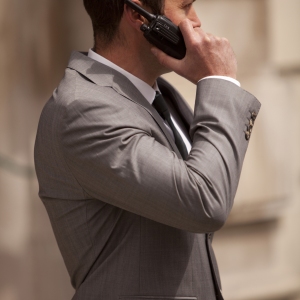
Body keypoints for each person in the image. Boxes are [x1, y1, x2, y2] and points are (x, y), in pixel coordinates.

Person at [34, 0, 261, 299]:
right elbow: (205, 201)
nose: (196, 21)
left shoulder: (160, 94)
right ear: (139, 15)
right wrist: (220, 82)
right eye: (185, 7)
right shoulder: (83, 110)